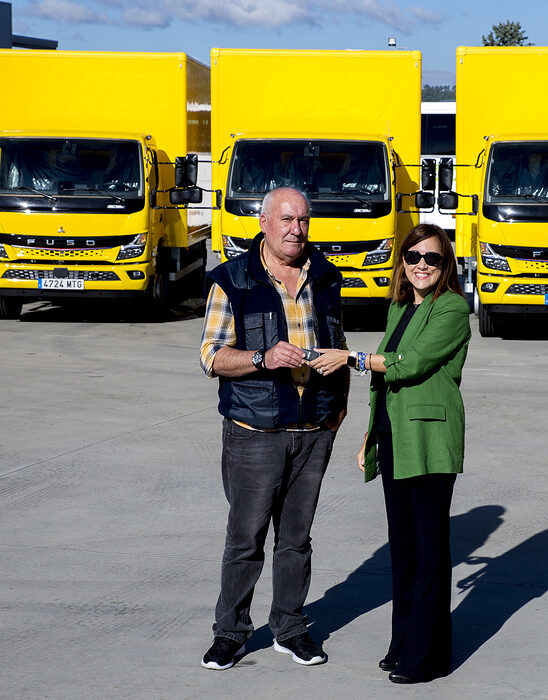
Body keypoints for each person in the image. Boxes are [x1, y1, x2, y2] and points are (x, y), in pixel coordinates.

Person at [310, 223, 471, 684]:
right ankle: (404, 645)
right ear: (402, 261)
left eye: (433, 258)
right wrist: (369, 437)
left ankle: (427, 658)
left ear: (445, 266)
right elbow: (384, 382)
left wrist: (349, 358)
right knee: (403, 553)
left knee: (428, 555)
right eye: (414, 256)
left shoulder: (453, 308)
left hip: (429, 443)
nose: (422, 265)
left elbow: (411, 363)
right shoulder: (401, 306)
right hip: (393, 438)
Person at [198, 186, 349, 671]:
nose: (295, 229)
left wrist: (338, 406)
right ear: (263, 222)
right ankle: (231, 633)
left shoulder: (326, 276)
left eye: (303, 220)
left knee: (297, 539)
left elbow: (338, 343)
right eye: (286, 219)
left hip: (313, 431)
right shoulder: (231, 280)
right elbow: (212, 356)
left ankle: (289, 627)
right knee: (245, 539)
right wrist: (263, 358)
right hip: (254, 433)